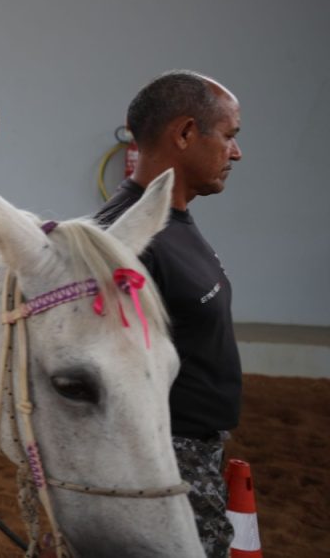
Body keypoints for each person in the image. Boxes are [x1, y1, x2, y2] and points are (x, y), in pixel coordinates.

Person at [94, 70, 243, 558]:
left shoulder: (172, 221)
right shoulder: (124, 239)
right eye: (228, 135)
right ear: (184, 134)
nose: (235, 152)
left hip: (192, 455)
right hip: (157, 467)